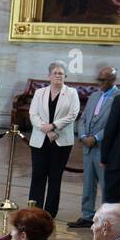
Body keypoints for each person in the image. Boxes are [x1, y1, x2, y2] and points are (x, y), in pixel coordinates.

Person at [27, 61, 81, 217]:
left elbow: (73, 115)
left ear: (65, 76)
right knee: (38, 175)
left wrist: (53, 126)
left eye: (61, 73)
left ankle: (49, 213)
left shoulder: (71, 93)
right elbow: (33, 114)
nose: (58, 75)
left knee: (55, 177)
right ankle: (34, 210)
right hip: (40, 139)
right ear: (49, 76)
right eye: (55, 73)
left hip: (61, 141)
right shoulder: (40, 92)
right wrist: (45, 128)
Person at [72, 66, 120, 229]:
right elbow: (84, 118)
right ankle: (87, 215)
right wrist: (84, 136)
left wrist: (96, 137)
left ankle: (106, 218)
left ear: (113, 80)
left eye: (103, 80)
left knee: (106, 185)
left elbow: (113, 125)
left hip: (105, 148)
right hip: (88, 147)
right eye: (98, 79)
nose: (99, 83)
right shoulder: (94, 95)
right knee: (88, 183)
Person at [102, 88, 120, 202]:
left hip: (119, 157)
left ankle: (113, 220)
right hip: (119, 156)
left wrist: (104, 157)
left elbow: (110, 130)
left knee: (112, 200)